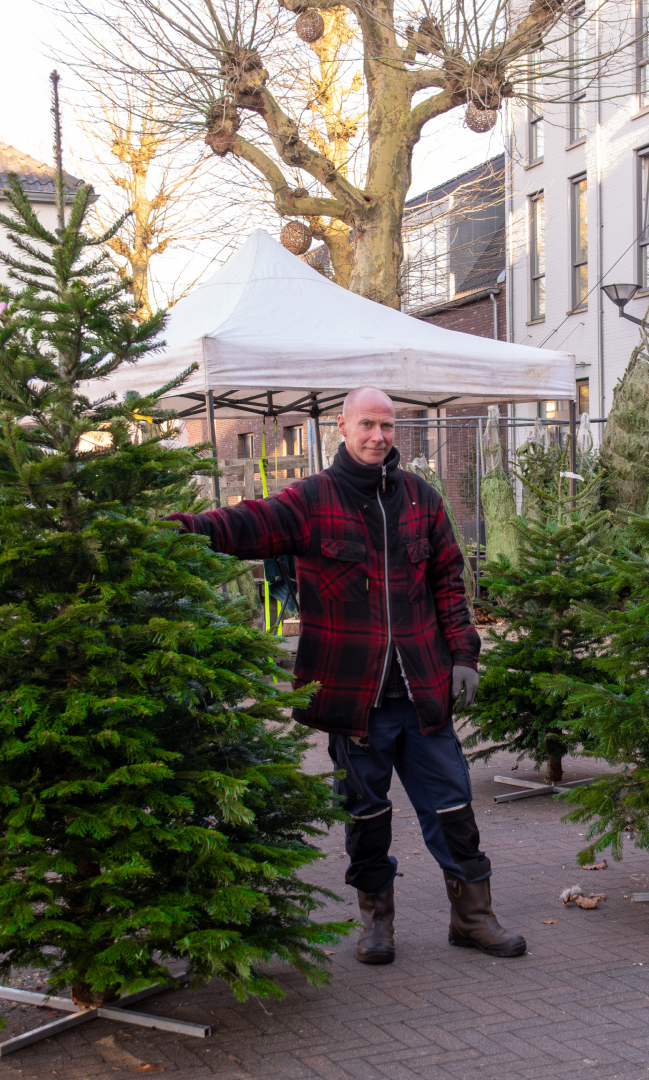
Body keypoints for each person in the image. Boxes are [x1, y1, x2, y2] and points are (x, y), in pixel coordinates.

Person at [166, 385, 526, 964]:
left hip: (422, 692)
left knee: (453, 805)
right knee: (365, 811)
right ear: (342, 427)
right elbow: (243, 526)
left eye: (387, 426)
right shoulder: (311, 500)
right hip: (355, 699)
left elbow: (449, 585)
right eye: (367, 425)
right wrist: (177, 530)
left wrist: (464, 656)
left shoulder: (421, 501)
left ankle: (473, 918)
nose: (378, 436)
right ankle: (376, 922)